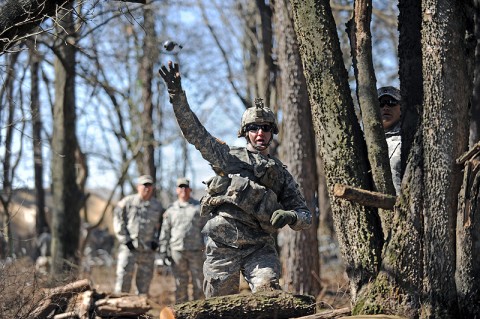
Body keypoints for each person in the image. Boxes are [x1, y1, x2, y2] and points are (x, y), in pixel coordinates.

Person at [159, 61, 312, 298]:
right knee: (220, 307)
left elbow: (305, 215)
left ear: (272, 132)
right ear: (245, 132)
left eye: (265, 127)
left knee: (269, 297)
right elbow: (195, 134)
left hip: (260, 248)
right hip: (222, 245)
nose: (260, 133)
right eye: (253, 128)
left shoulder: (280, 173)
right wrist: (177, 95)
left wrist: (291, 215)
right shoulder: (228, 157)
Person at [113, 174, 164, 295]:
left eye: (149, 185)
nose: (147, 187)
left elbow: (162, 227)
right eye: (144, 185)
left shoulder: (157, 206)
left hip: (148, 251)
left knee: (144, 287)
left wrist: (156, 242)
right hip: (129, 249)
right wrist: (126, 240)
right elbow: (118, 220)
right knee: (123, 282)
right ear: (138, 187)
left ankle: (139, 312)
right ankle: (117, 312)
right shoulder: (127, 202)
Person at [158, 177, 207, 303]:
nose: (183, 189)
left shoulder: (198, 207)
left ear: (190, 189)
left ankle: (199, 311)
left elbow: (206, 229)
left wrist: (207, 248)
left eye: (185, 187)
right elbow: (165, 232)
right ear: (176, 190)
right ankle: (181, 311)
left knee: (199, 283)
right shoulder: (171, 209)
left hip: (196, 251)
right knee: (180, 283)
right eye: (180, 187)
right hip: (177, 252)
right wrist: (163, 252)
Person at [378, 86, 402, 195]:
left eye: (391, 102)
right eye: (381, 103)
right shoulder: (363, 143)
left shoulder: (409, 140)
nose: (386, 107)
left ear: (401, 108)